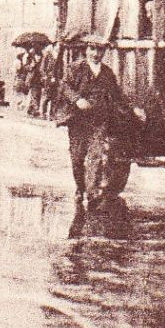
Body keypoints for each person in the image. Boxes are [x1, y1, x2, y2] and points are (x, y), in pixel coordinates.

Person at [57, 35, 123, 210]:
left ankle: (92, 193)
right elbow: (64, 86)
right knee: (77, 158)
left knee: (95, 155)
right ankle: (80, 187)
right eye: (92, 49)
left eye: (99, 50)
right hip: (78, 120)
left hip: (99, 119)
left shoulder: (107, 73)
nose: (95, 53)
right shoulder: (75, 68)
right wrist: (77, 99)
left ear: (103, 52)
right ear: (86, 50)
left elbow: (117, 95)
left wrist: (133, 109)